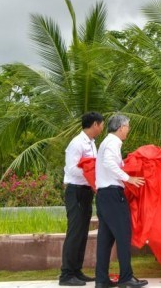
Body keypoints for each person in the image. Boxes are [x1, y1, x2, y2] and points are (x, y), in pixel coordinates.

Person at [94, 114, 147, 288]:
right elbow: (109, 163)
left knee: (105, 239)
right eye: (127, 127)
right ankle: (126, 278)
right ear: (121, 128)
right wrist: (128, 178)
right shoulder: (113, 143)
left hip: (103, 195)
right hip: (112, 195)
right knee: (123, 235)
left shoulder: (106, 143)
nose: (128, 130)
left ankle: (101, 280)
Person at [59, 112, 104, 286]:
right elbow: (71, 169)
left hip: (86, 191)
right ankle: (66, 274)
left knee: (82, 233)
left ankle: (76, 270)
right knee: (75, 232)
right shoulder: (76, 143)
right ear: (94, 124)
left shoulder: (92, 143)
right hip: (76, 190)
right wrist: (91, 173)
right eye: (101, 124)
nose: (101, 128)